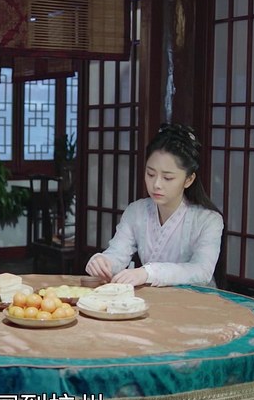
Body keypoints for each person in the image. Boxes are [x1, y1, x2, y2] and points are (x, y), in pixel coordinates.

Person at [85, 123, 224, 287]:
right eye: (150, 174)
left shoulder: (209, 220)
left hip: (197, 300)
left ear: (189, 179)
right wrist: (102, 262)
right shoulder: (136, 211)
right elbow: (117, 254)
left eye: (168, 178)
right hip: (154, 297)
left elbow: (201, 271)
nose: (156, 184)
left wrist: (148, 273)